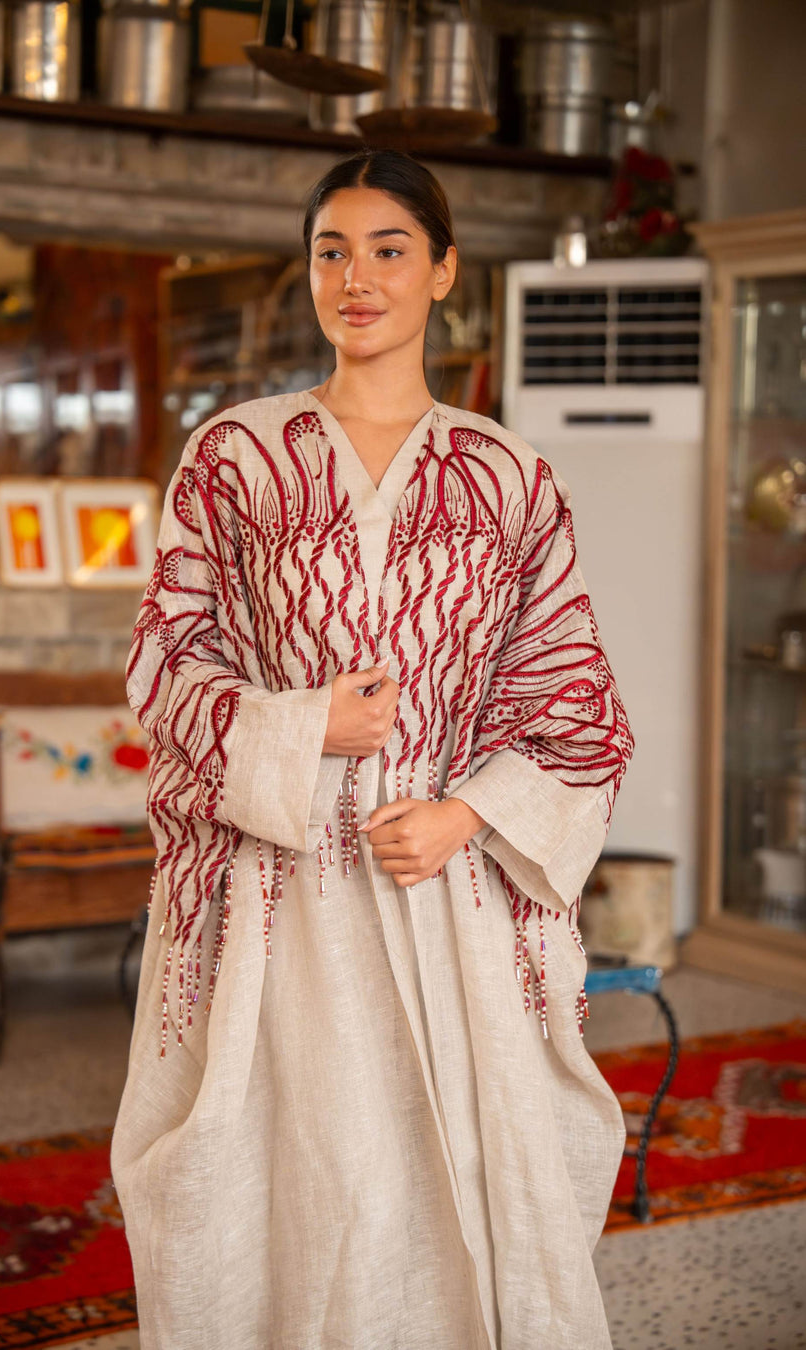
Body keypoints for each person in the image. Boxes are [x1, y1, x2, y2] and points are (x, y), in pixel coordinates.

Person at [112, 149, 634, 1350]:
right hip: (278, 894)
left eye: (389, 249)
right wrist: (308, 728)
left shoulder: (510, 477)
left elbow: (575, 698)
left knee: (449, 1171)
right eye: (331, 252)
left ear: (444, 271)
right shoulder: (233, 459)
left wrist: (466, 814)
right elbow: (165, 657)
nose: (359, 278)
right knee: (301, 1174)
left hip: (447, 888)